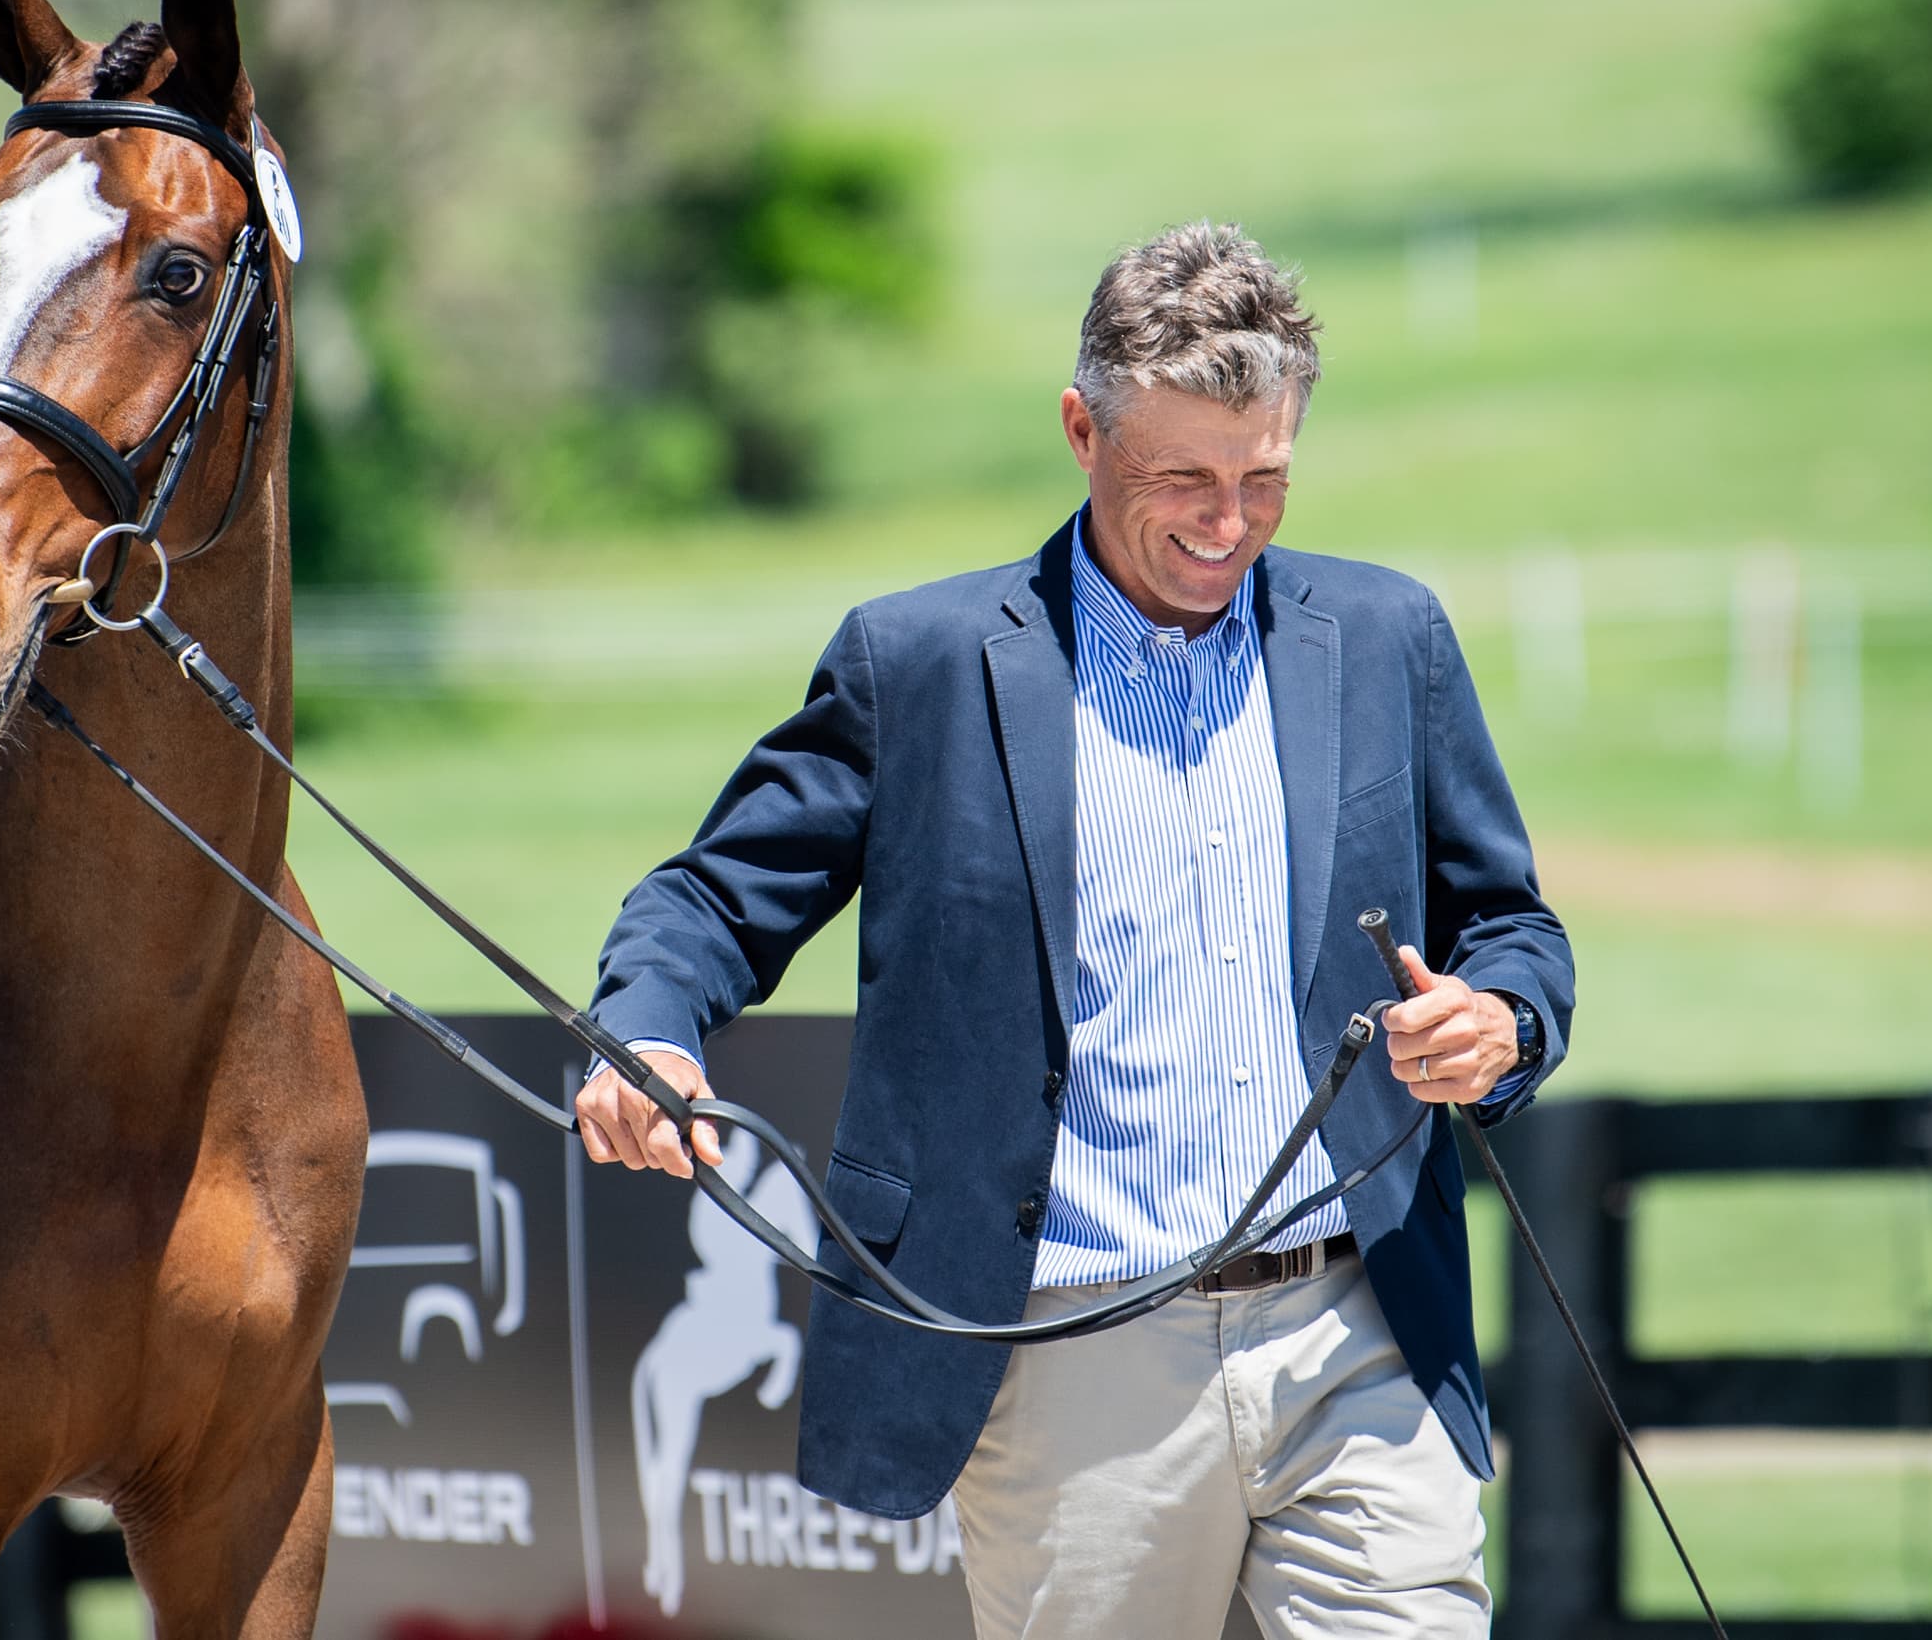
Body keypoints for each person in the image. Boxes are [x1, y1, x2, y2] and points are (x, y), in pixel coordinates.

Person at [576, 221, 1571, 1639]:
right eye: (1186, 480)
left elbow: (1513, 927)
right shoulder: (914, 666)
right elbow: (708, 900)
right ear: (1080, 431)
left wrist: (1505, 1018)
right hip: (1073, 1363)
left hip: (1360, 1335)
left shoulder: (1389, 635)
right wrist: (647, 1028)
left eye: (1266, 480)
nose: (1228, 525)